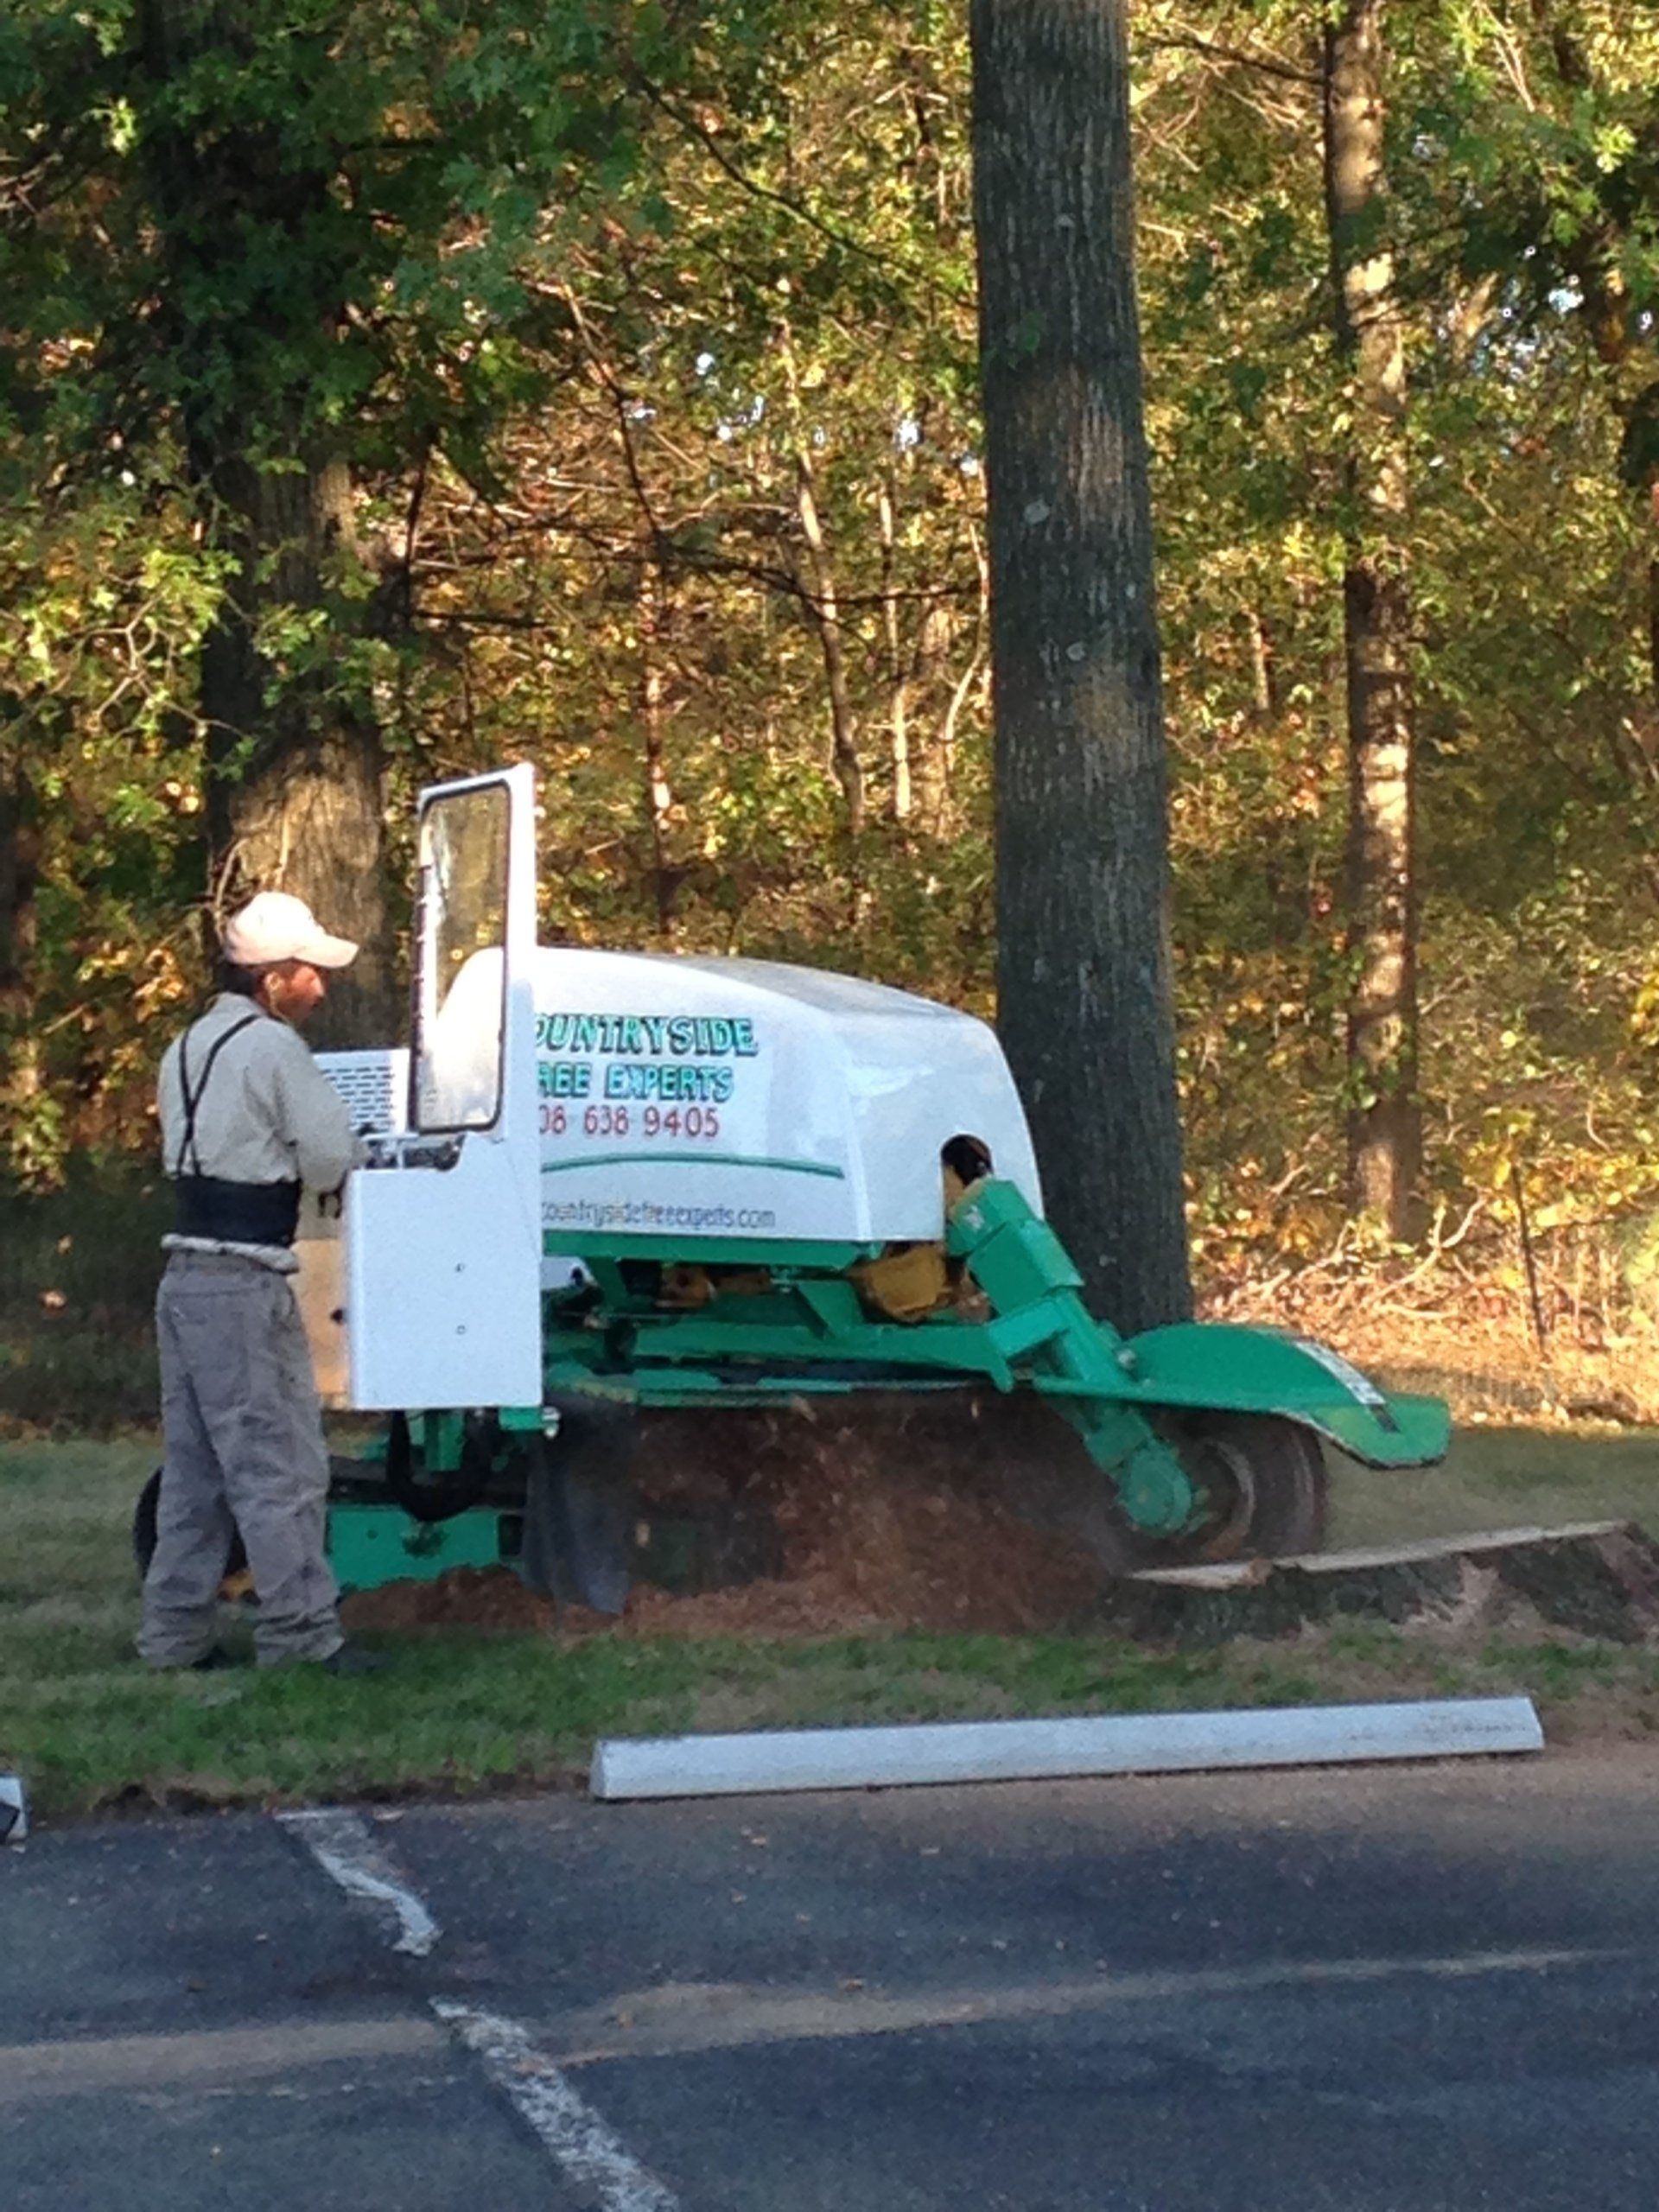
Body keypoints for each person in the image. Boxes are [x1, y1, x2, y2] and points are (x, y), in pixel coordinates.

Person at [138, 891, 382, 1675]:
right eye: (310, 973)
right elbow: (329, 1156)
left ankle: (173, 1638)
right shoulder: (274, 1050)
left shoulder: (184, 1047)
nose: (321, 988)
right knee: (281, 1465)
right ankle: (302, 1638)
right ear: (273, 979)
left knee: (196, 1473)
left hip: (184, 1280)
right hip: (245, 1282)